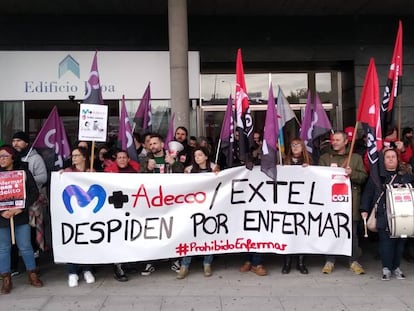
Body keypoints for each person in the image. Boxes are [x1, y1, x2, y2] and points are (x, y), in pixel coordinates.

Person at [360, 147, 414, 280]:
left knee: (400, 243)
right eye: (387, 157)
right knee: (386, 242)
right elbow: (368, 193)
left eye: (393, 157)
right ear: (383, 160)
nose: (391, 159)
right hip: (384, 214)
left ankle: (396, 267)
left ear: (397, 159)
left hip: (403, 215)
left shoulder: (406, 176)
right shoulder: (376, 176)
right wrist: (364, 209)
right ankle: (386, 268)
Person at [319, 131, 368, 275]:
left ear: (346, 141)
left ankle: (353, 260)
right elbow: (319, 177)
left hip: (350, 201)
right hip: (330, 202)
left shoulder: (356, 158)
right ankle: (330, 260)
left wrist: (352, 173)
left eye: (337, 140)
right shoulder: (325, 158)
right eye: (333, 140)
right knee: (330, 231)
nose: (334, 142)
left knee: (352, 233)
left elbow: (363, 177)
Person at [0, 145, 43, 294]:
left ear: (13, 157)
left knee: (25, 246)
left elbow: (34, 193)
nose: (2, 159)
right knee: (3, 248)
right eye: (0, 156)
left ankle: (32, 274)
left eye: (5, 156)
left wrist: (20, 208)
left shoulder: (24, 173)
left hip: (20, 216)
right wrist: (2, 211)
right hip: (2, 217)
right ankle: (6, 278)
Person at [140, 134, 184, 275]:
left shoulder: (172, 157)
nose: (152, 146)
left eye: (155, 143)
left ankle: (174, 260)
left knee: (172, 230)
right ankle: (150, 262)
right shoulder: (145, 160)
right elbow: (138, 180)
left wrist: (174, 163)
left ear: (162, 144)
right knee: (152, 231)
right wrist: (147, 168)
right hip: (152, 203)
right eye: (150, 144)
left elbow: (183, 175)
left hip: (170, 202)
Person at [178, 147, 218, 279]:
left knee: (208, 234)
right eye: (195, 156)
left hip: (210, 207)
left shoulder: (214, 168)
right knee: (190, 234)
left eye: (200, 155)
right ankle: (185, 265)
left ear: (206, 156)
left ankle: (207, 263)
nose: (198, 158)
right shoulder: (189, 170)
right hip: (193, 207)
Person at [11, 131, 48, 270]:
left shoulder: (35, 158)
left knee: (31, 232)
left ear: (26, 143)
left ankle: (34, 262)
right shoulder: (11, 159)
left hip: (31, 201)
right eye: (14, 140)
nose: (16, 143)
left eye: (19, 141)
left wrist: (25, 180)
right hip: (14, 201)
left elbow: (43, 177)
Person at [62, 147, 96, 287]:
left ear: (84, 157)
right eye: (73, 156)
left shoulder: (91, 171)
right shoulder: (67, 173)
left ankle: (87, 269)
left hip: (88, 214)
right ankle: (72, 272)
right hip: (72, 213)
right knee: (72, 240)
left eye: (77, 155)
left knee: (87, 240)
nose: (74, 158)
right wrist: (61, 177)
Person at [104, 149, 140, 282]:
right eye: (119, 157)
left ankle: (127, 263)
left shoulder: (136, 171)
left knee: (129, 236)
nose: (122, 159)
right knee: (117, 237)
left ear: (128, 159)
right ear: (116, 159)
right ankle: (118, 266)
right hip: (115, 210)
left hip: (131, 209)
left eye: (124, 157)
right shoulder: (109, 173)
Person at [281, 138, 312, 274]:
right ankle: (287, 262)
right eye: (292, 145)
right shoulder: (284, 161)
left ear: (303, 146)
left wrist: (310, 169)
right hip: (288, 202)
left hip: (303, 202)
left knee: (301, 232)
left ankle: (301, 262)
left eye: (298, 144)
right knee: (287, 232)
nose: (295, 147)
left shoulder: (309, 160)